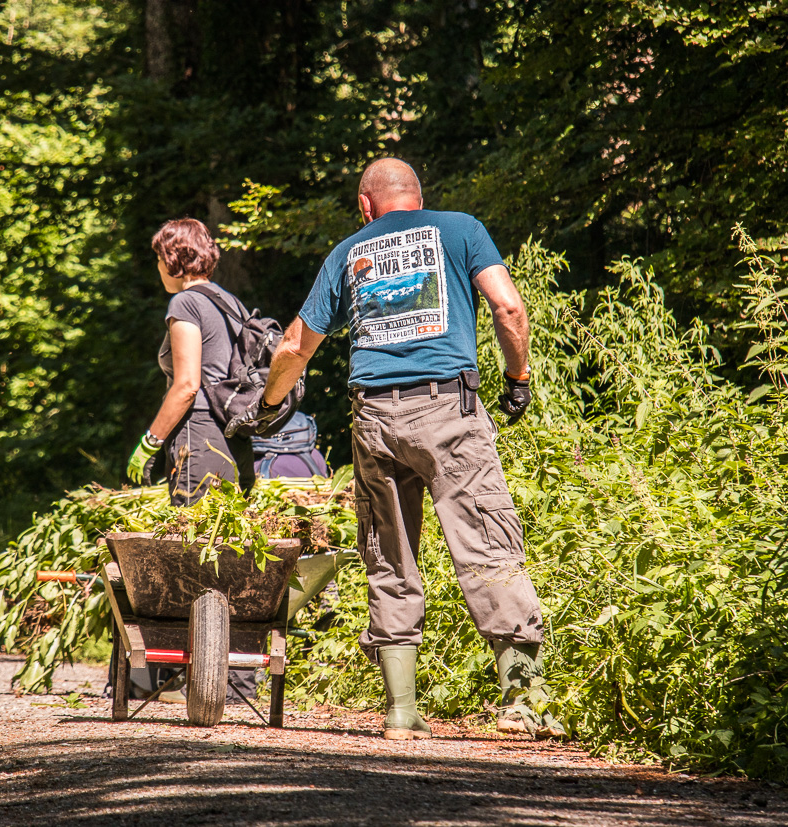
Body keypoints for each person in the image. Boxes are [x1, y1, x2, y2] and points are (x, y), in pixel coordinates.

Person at [233, 158, 567, 740]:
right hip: (448, 411)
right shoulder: (460, 228)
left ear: (366, 205)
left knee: (389, 553)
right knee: (485, 539)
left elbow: (293, 346)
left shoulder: (346, 254)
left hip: (374, 417)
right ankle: (523, 701)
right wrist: (519, 378)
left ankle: (400, 712)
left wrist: (268, 404)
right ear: (419, 197)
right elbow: (509, 307)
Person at [125, 217, 257, 702]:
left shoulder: (185, 302)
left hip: (195, 439)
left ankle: (181, 676)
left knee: (192, 559)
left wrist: (150, 442)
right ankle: (237, 676)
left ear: (172, 260)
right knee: (223, 554)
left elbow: (186, 384)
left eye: (159, 258)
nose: (158, 267)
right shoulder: (229, 302)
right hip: (227, 442)